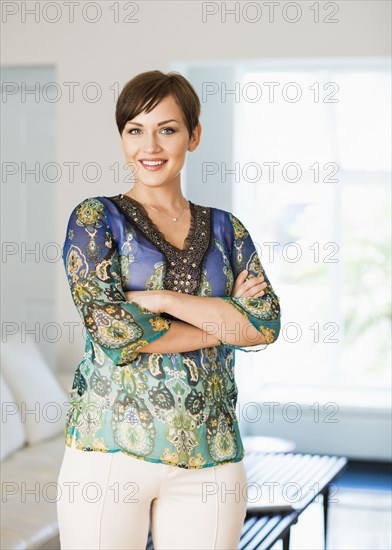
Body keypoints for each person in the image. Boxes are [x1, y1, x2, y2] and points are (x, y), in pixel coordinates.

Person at [56, 69, 281, 550]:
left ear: (193, 136)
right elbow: (115, 332)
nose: (150, 145)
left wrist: (162, 302)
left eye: (168, 128)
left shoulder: (228, 230)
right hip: (109, 454)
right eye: (135, 130)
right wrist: (225, 321)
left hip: (212, 457)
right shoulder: (95, 220)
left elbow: (264, 324)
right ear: (122, 138)